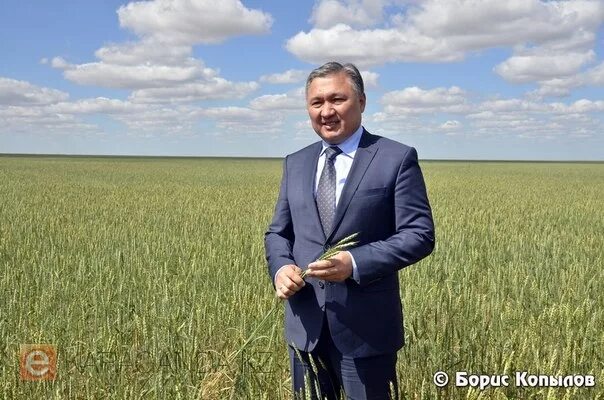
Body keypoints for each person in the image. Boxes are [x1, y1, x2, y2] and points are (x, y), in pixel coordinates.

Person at [265, 61, 435, 399]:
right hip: (306, 328)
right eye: (317, 103)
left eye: (337, 99)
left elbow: (419, 234)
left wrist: (354, 264)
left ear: (361, 102)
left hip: (366, 331)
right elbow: (278, 233)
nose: (326, 111)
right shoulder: (295, 162)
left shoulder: (395, 158)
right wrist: (281, 267)